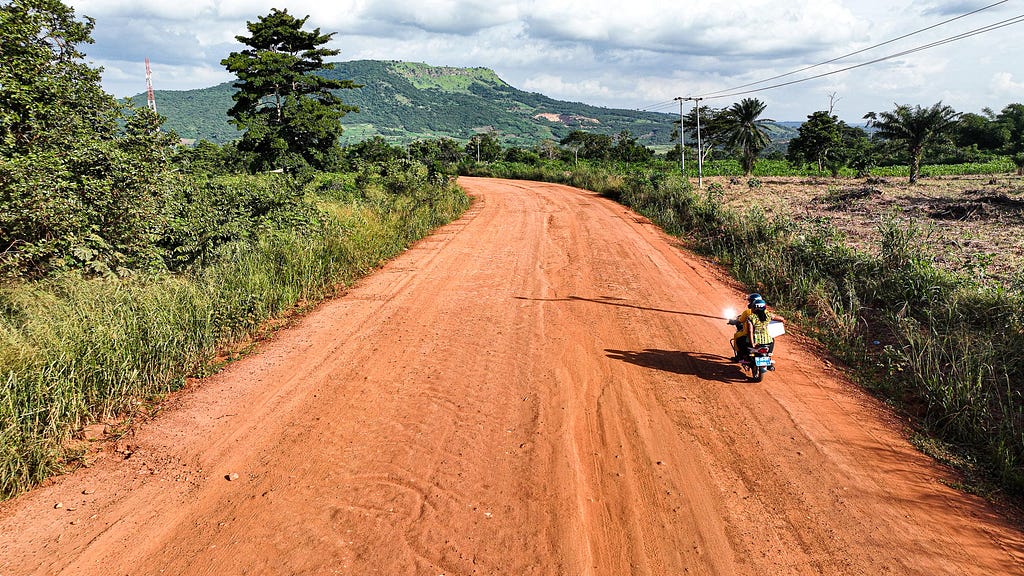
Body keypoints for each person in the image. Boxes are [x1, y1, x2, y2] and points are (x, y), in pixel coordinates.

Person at [730, 293, 762, 361]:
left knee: (737, 335)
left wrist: (732, 322)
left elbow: (739, 321)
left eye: (750, 301)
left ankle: (739, 356)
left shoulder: (748, 312)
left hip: (748, 335)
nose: (749, 303)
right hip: (762, 335)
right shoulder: (766, 312)